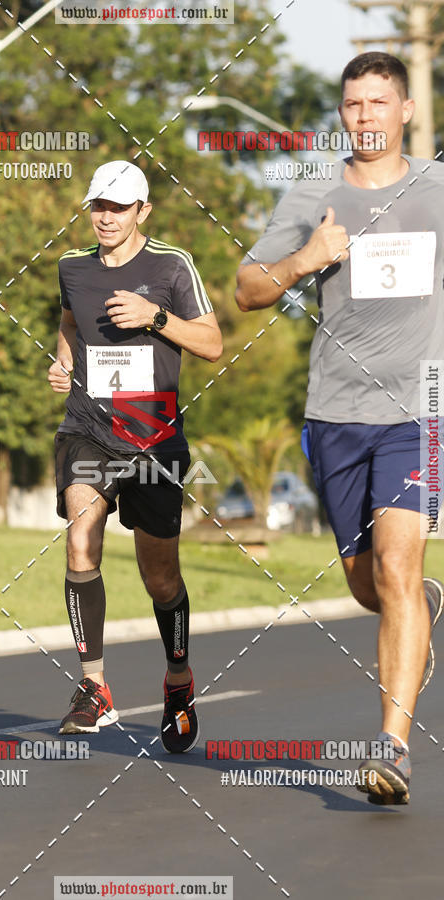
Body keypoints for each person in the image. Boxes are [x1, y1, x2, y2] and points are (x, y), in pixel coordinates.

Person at [235, 52, 444, 804]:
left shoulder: (437, 190)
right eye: (353, 105)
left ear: (406, 111)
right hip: (335, 415)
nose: (365, 117)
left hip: (419, 413)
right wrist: (307, 257)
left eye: (379, 103)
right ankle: (417, 601)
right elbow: (247, 289)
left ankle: (392, 747)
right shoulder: (313, 191)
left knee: (394, 568)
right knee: (372, 585)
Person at [48, 159, 222, 752]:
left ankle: (178, 677)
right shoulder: (72, 268)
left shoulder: (173, 266)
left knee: (160, 576)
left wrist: (157, 317)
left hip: (154, 440)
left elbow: (214, 344)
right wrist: (64, 359)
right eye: (98, 205)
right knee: (79, 539)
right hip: (89, 429)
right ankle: (93, 685)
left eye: (118, 207)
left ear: (143, 211)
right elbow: (70, 325)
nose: (104, 217)